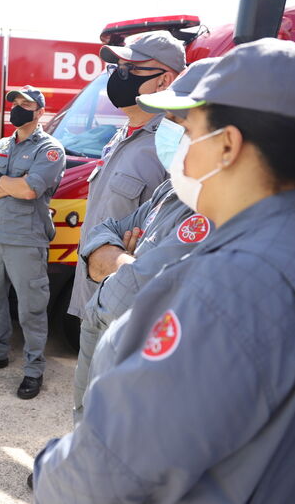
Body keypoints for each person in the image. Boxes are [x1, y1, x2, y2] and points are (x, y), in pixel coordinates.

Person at [32, 38, 295, 503]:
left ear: (227, 145)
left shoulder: (232, 288)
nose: (177, 142)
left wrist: (47, 466)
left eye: (187, 127)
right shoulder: (283, 244)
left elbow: (101, 475)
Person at [70, 57, 220, 423]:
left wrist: (116, 262)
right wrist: (128, 263)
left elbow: (127, 298)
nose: (166, 129)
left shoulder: (210, 209)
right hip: (100, 367)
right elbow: (102, 231)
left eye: (177, 120)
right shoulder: (173, 187)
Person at [68, 30, 185, 387]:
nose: (119, 72)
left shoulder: (172, 144)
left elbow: (163, 236)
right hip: (94, 300)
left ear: (165, 79)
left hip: (129, 316)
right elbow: (106, 227)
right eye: (118, 64)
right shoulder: (123, 134)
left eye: (131, 66)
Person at [0, 85, 65, 400]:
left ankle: (33, 369)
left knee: (30, 309)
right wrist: (9, 184)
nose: (18, 109)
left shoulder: (50, 149)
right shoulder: (0, 145)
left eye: (27, 104)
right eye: (15, 103)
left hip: (26, 239)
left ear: (40, 112)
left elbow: (29, 191)